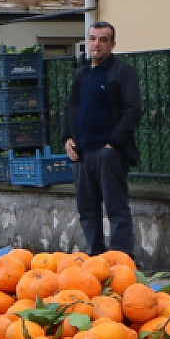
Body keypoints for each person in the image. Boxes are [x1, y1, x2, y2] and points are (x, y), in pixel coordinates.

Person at [63, 21, 142, 256]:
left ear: (112, 44)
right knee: (87, 210)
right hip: (82, 153)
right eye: (93, 38)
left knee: (116, 209)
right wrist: (67, 138)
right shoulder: (82, 74)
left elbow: (133, 110)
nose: (96, 44)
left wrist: (113, 143)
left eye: (103, 39)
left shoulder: (122, 72)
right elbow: (70, 108)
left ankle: (120, 260)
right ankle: (94, 257)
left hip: (109, 154)